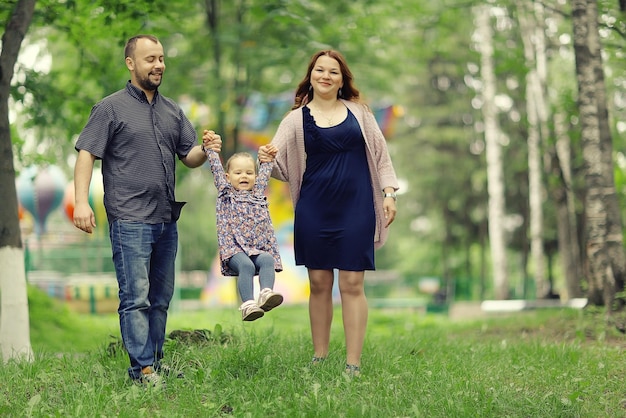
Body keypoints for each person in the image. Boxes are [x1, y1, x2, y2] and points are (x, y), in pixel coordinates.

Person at [73, 34, 221, 385]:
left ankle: (154, 362)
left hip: (166, 217)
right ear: (131, 63)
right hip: (129, 218)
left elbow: (189, 157)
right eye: (150, 58)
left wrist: (206, 147)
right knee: (135, 298)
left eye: (161, 58)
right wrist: (81, 201)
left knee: (160, 298)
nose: (158, 65)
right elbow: (85, 154)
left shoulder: (173, 111)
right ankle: (142, 370)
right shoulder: (109, 108)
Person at [259, 49, 398, 377]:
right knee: (320, 283)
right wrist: (266, 156)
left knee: (352, 283)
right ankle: (320, 357)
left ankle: (353, 364)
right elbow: (279, 163)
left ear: (342, 79)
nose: (325, 76)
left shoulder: (360, 113)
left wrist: (389, 194)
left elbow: (381, 155)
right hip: (314, 208)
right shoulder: (295, 119)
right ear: (310, 77)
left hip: (357, 207)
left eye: (333, 72)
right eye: (319, 70)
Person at [203, 142, 283, 321]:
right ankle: (248, 305)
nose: (243, 176)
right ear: (227, 176)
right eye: (238, 173)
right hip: (234, 249)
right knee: (246, 266)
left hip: (256, 248)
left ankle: (265, 293)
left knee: (267, 259)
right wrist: (210, 150)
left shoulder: (258, 194)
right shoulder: (226, 194)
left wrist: (268, 159)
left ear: (255, 176)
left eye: (249, 172)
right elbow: (215, 168)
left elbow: (265, 170)